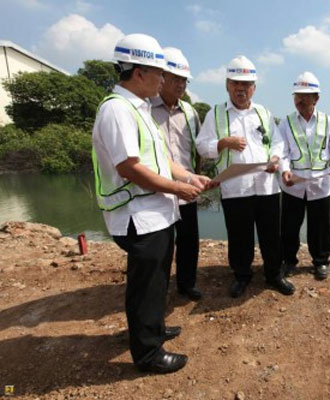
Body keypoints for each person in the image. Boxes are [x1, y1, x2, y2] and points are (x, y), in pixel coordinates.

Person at [92, 33, 212, 374]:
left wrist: (189, 178)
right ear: (139, 72)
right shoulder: (117, 110)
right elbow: (130, 168)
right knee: (145, 284)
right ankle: (147, 353)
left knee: (157, 279)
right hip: (137, 215)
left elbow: (161, 159)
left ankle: (154, 330)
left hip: (157, 214)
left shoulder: (139, 109)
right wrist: (178, 188)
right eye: (159, 72)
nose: (164, 79)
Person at [196, 55, 295, 298]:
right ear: (227, 84)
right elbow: (201, 146)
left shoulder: (263, 112)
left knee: (271, 235)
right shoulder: (216, 114)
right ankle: (242, 275)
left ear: (254, 87)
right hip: (235, 187)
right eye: (236, 83)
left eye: (247, 84)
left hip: (266, 187)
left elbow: (278, 143)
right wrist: (221, 143)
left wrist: (275, 160)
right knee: (239, 236)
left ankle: (274, 275)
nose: (241, 88)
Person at [279, 71, 330, 280]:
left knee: (320, 227)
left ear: (316, 98)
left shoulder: (327, 122)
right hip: (293, 184)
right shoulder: (286, 123)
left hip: (320, 184)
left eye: (305, 95)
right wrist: (284, 170)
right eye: (297, 95)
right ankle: (288, 261)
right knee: (289, 227)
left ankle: (321, 262)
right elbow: (281, 151)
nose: (300, 100)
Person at [151, 47, 203, 301]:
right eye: (176, 79)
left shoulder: (191, 112)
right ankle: (158, 292)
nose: (181, 84)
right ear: (162, 77)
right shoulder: (145, 109)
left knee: (189, 242)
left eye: (185, 80)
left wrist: (196, 177)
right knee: (159, 247)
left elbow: (198, 149)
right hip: (156, 190)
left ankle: (186, 284)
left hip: (187, 188)